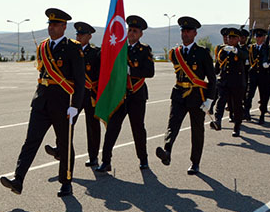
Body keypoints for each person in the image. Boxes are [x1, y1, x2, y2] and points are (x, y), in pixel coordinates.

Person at [1, 8, 85, 198]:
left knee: (64, 143)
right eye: (50, 24)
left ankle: (66, 182)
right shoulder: (43, 47)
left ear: (64, 26)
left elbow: (80, 81)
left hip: (63, 103)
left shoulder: (73, 47)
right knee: (31, 140)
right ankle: (18, 179)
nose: (51, 27)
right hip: (41, 101)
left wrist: (75, 106)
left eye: (56, 24)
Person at [155, 16, 217, 175]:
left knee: (197, 131)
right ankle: (167, 152)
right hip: (178, 94)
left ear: (195, 33)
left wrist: (210, 100)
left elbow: (212, 79)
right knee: (172, 125)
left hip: (197, 96)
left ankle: (195, 162)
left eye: (188, 31)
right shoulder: (175, 53)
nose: (185, 33)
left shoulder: (202, 53)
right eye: (183, 30)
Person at [94, 15, 154, 175]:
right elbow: (102, 58)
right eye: (130, 30)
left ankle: (143, 159)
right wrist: (107, 46)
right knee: (112, 128)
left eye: (135, 31)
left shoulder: (144, 50)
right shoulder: (119, 47)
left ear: (141, 34)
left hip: (136, 95)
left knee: (138, 129)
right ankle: (106, 161)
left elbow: (150, 72)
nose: (132, 33)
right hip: (119, 95)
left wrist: (130, 70)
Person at [47, 21, 101, 168]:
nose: (78, 36)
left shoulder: (96, 52)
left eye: (81, 34)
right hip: (77, 94)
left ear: (89, 37)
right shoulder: (70, 49)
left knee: (92, 126)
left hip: (91, 94)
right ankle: (60, 149)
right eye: (77, 33)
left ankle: (94, 156)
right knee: (67, 123)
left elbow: (102, 74)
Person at [211, 26, 247, 136]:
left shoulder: (241, 50)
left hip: (237, 83)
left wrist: (236, 51)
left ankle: (237, 126)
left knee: (236, 106)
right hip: (224, 81)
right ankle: (217, 121)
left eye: (233, 38)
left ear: (238, 39)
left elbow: (244, 56)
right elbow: (218, 64)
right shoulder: (223, 50)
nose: (230, 40)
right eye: (229, 38)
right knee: (221, 101)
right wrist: (214, 75)